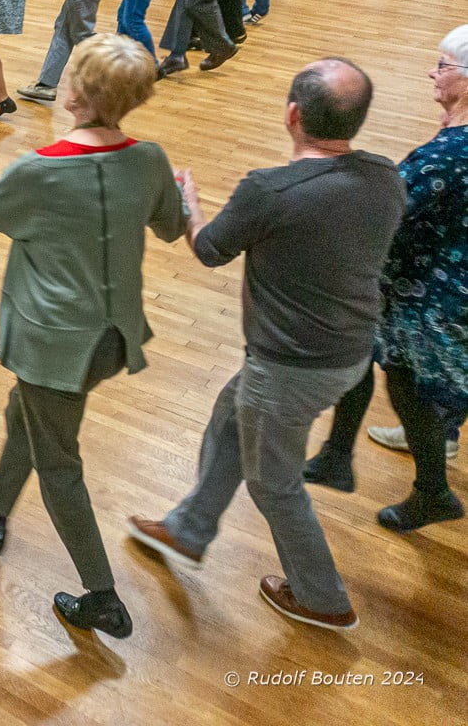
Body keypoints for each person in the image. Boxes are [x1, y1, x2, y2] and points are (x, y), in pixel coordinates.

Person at [129, 59, 404, 632]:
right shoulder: (384, 176)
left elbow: (208, 249)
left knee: (274, 485)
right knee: (230, 419)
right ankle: (188, 529)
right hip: (350, 352)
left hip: (290, 368)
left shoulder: (269, 190)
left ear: (293, 115)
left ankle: (323, 599)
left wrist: (190, 201)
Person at [0, 34, 186, 639]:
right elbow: (169, 226)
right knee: (23, 414)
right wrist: (185, 197)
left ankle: (102, 596)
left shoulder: (42, 168)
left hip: (55, 344)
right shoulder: (150, 157)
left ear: (75, 91)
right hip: (111, 338)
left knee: (59, 463)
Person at [303, 26, 468, 532]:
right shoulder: (453, 142)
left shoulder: (449, 155)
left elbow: (387, 207)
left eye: (442, 65)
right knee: (374, 355)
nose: (432, 73)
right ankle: (338, 454)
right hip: (425, 278)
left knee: (405, 385)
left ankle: (432, 491)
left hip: (431, 289)